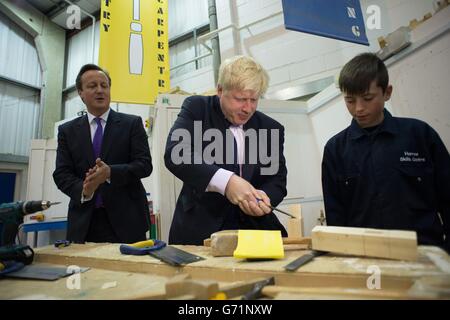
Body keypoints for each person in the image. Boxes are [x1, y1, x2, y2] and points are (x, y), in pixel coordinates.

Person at [322, 52, 450, 253]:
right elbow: (336, 216)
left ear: (387, 92)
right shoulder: (335, 150)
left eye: (367, 98)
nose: (359, 109)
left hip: (425, 253)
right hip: (365, 259)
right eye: (350, 100)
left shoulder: (420, 135)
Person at [165, 55, 288, 245]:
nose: (248, 108)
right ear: (220, 90)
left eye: (254, 100)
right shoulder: (197, 109)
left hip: (253, 230)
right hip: (200, 229)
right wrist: (227, 182)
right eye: (240, 99)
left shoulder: (270, 128)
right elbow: (177, 153)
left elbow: (276, 180)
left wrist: (264, 198)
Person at [53, 64, 152, 243]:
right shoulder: (67, 131)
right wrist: (84, 189)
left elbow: (144, 165)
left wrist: (110, 173)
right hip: (85, 224)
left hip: (128, 223)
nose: (100, 90)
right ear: (80, 92)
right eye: (92, 86)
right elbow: (61, 174)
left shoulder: (132, 124)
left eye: (104, 85)